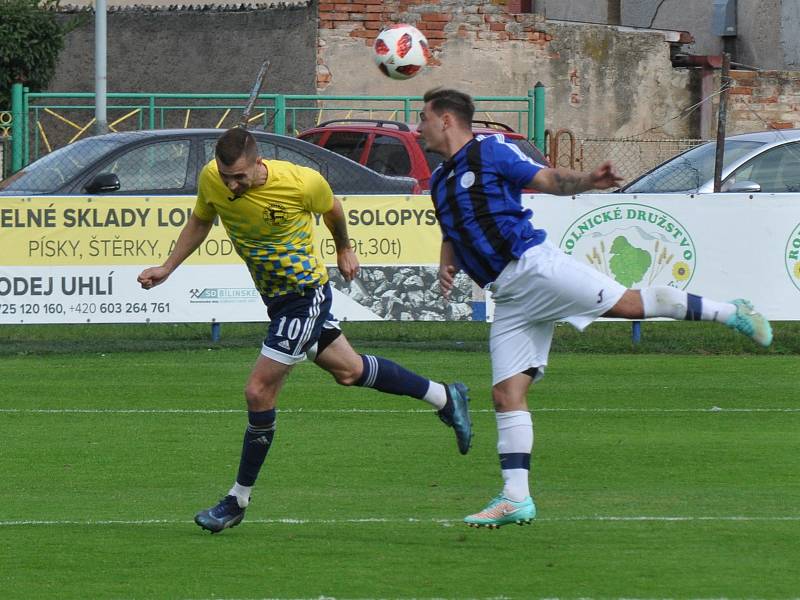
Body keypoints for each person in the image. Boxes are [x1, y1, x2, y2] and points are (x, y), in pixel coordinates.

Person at [417, 88, 773, 529]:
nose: (418, 127)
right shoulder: (439, 180)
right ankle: (516, 498)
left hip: (533, 268)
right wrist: (446, 263)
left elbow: (545, 178)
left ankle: (730, 311)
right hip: (508, 295)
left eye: (424, 117)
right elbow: (452, 231)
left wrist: (587, 180)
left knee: (627, 303)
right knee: (506, 395)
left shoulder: (490, 152)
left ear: (448, 120)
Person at [137, 127, 472, 533]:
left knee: (258, 391)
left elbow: (332, 209)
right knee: (350, 371)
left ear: (258, 163)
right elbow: (201, 219)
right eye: (227, 178)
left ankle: (237, 499)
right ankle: (445, 396)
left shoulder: (301, 182)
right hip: (276, 299)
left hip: (304, 295)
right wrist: (167, 267)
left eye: (240, 177)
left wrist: (344, 247)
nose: (232, 185)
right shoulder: (213, 178)